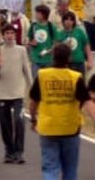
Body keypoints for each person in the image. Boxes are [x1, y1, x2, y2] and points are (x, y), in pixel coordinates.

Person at [29, 44, 95, 180]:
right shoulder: (75, 77)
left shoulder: (42, 75)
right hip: (70, 128)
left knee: (50, 167)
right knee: (70, 169)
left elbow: (33, 101)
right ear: (69, 58)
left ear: (53, 56)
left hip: (48, 128)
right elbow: (88, 101)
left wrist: (33, 119)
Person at [0, 24, 32, 164]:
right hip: (2, 93)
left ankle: (19, 152)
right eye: (7, 33)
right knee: (5, 124)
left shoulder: (21, 50)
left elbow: (27, 69)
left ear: (15, 35)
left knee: (19, 121)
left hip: (18, 92)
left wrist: (31, 88)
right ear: (2, 35)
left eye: (12, 33)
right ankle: (9, 150)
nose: (9, 36)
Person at [54, 11, 92, 76]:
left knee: (80, 84)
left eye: (71, 20)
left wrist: (90, 60)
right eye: (66, 19)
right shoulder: (59, 34)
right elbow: (56, 50)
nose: (69, 22)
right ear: (63, 21)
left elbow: (87, 45)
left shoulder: (79, 31)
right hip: (66, 64)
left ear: (74, 21)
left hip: (79, 62)